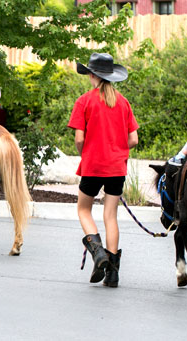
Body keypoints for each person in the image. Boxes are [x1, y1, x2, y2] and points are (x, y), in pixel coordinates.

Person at [67, 52, 138, 287]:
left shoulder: (84, 101)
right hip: (117, 166)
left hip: (93, 164)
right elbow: (134, 139)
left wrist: (86, 152)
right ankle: (113, 273)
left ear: (92, 75)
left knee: (84, 210)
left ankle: (97, 253)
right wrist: (117, 149)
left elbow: (79, 139)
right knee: (111, 216)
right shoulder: (123, 102)